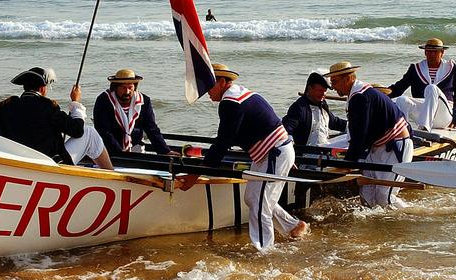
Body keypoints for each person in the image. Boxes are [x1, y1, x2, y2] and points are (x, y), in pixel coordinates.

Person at [178, 63, 308, 251]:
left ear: (222, 82)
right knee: (253, 198)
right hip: (274, 151)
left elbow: (222, 143)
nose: (205, 91)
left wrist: (194, 174)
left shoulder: (230, 102)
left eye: (208, 85)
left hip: (274, 152)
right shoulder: (238, 94)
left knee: (259, 203)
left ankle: (264, 251)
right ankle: (293, 226)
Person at [0, 67, 112, 169]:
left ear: (24, 87)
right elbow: (77, 131)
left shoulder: (5, 107)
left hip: (14, 163)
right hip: (48, 166)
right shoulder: (48, 107)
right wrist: (75, 103)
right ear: (43, 89)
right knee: (89, 133)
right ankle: (111, 175)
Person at [325, 61, 413, 208]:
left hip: (395, 146)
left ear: (348, 78)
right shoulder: (358, 94)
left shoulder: (360, 96)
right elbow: (360, 134)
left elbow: (360, 134)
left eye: (335, 82)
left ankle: (410, 219)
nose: (332, 87)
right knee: (367, 193)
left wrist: (348, 163)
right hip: (377, 146)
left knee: (385, 197)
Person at [93, 68, 180, 156]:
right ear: (115, 87)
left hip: (136, 146)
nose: (127, 92)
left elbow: (151, 128)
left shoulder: (144, 101)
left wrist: (165, 151)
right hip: (109, 149)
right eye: (123, 88)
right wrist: (120, 154)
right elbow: (104, 131)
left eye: (130, 88)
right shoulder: (104, 100)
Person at [387, 38, 456, 132]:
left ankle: (424, 128)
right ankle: (403, 131)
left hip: (443, 115)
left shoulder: (453, 68)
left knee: (431, 88)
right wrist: (379, 93)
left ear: (442, 52)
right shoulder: (415, 69)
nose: (431, 55)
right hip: (422, 113)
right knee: (402, 99)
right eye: (428, 52)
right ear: (425, 53)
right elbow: (398, 89)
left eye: (435, 52)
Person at [282, 72, 347, 146]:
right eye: (320, 90)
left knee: (349, 138)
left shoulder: (323, 104)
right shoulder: (299, 107)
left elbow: (334, 122)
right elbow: (287, 129)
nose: (323, 94)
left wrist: (352, 126)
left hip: (324, 147)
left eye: (325, 91)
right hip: (308, 152)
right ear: (310, 89)